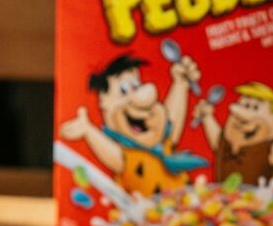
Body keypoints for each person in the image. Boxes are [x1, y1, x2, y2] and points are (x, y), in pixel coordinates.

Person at [59, 52, 208, 196]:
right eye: (123, 91)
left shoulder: (162, 144)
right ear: (104, 105)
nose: (139, 96)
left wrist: (180, 84)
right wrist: (88, 130)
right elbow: (114, 155)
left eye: (136, 86)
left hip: (186, 206)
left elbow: (171, 122)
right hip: (145, 214)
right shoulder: (127, 154)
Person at [193, 82, 273, 184]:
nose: (240, 115)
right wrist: (207, 117)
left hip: (257, 200)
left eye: (254, 108)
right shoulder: (224, 143)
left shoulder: (266, 150)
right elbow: (216, 137)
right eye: (244, 105)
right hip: (220, 198)